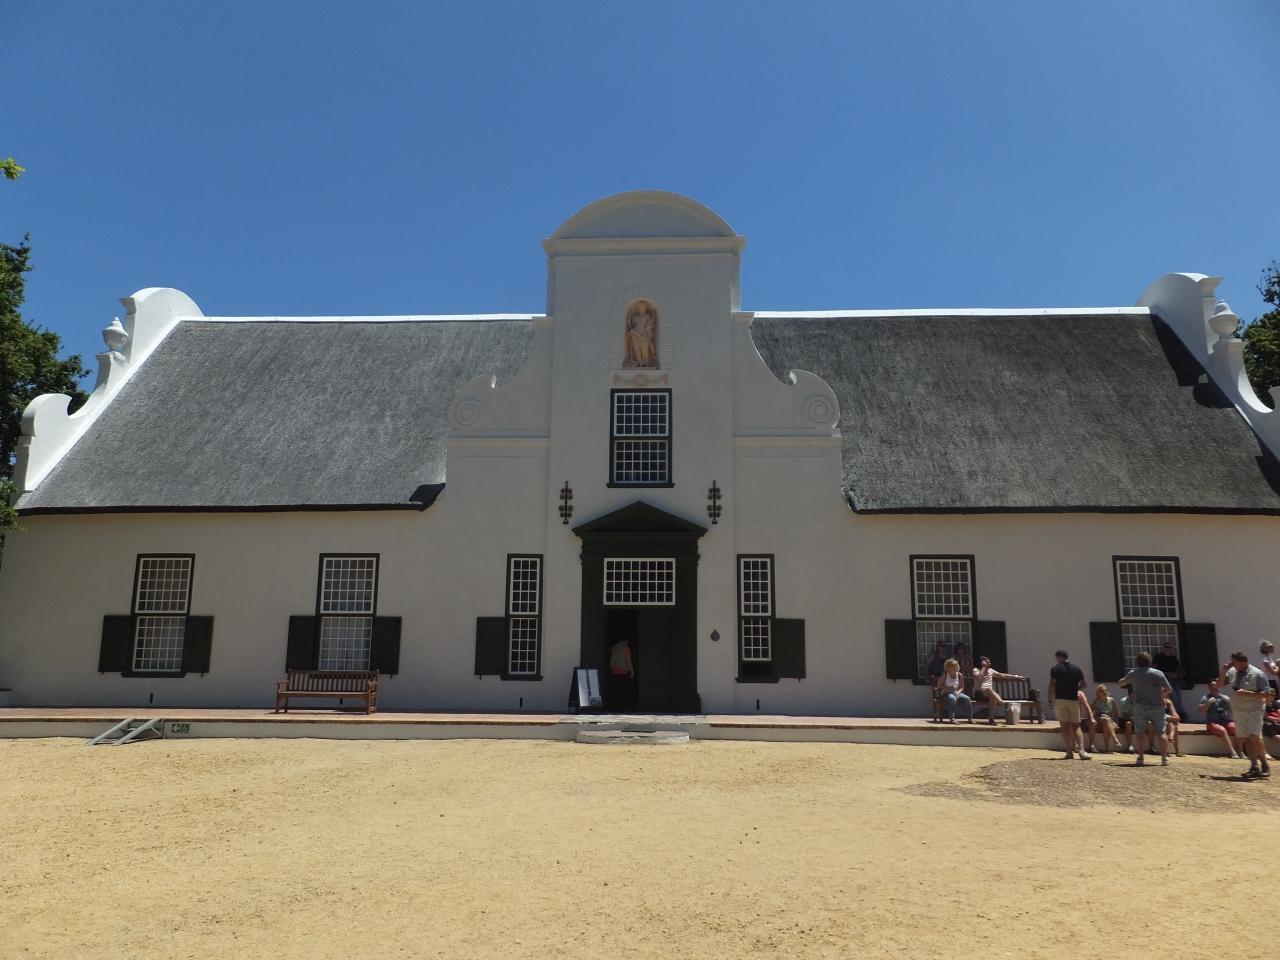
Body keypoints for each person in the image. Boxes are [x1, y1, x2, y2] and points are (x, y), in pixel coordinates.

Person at [1222, 651, 1273, 779]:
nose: (1232, 664)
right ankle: (1254, 766)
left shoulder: (1257, 674)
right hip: (1239, 709)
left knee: (1254, 736)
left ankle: (1264, 763)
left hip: (1254, 709)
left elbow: (1267, 693)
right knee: (1246, 738)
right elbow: (1219, 685)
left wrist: (1247, 693)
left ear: (1243, 662)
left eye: (1234, 662)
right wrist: (1223, 671)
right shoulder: (1232, 672)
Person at [1119, 651, 1173, 767]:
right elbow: (1169, 689)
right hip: (1157, 705)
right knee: (1161, 732)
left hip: (1140, 706)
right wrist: (1161, 695)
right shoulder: (1158, 673)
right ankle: (1164, 758)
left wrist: (1129, 682)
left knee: (1140, 733)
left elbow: (1121, 683)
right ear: (1150, 661)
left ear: (1137, 662)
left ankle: (1141, 757)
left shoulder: (1134, 673)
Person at [1050, 650, 1090, 760]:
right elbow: (1084, 684)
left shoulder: (1055, 669)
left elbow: (1052, 684)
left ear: (1058, 657)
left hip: (1060, 699)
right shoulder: (1077, 669)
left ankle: (1069, 751)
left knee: (1064, 726)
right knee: (1076, 726)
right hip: (1073, 699)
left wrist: (1050, 699)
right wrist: (1076, 689)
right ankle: (1081, 750)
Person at [1198, 678, 1240, 758]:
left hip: (1226, 722)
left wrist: (1229, 702)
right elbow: (1201, 710)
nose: (1214, 687)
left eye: (1216, 685)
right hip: (1212, 723)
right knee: (1222, 730)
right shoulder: (1205, 698)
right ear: (1209, 687)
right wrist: (1208, 703)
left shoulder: (1224, 698)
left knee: (1236, 728)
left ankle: (1240, 750)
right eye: (1212, 685)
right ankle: (1233, 752)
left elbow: (1233, 711)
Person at [973, 657, 1014, 725]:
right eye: (987, 662)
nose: (989, 663)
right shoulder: (976, 670)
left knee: (993, 698)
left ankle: (991, 719)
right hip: (979, 694)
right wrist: (983, 668)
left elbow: (1002, 675)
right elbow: (979, 678)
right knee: (989, 690)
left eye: (989, 662)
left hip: (988, 694)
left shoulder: (991, 670)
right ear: (982, 663)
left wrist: (1016, 676)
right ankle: (1003, 703)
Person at [1152, 638, 1187, 720]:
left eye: (1170, 647)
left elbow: (1178, 669)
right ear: (1163, 648)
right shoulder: (1158, 657)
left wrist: (1175, 674)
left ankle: (1178, 713)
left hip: (1174, 680)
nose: (1168, 649)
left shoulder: (1173, 659)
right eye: (1167, 647)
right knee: (1173, 696)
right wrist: (1165, 673)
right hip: (1163, 680)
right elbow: (1154, 669)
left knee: (1177, 696)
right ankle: (1180, 714)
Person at [935, 658, 972, 723]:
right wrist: (947, 688)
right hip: (946, 693)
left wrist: (958, 693)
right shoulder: (945, 674)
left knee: (967, 698)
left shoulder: (960, 675)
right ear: (948, 667)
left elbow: (962, 687)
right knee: (952, 699)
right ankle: (952, 719)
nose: (953, 667)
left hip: (956, 692)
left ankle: (970, 718)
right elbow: (939, 686)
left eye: (955, 665)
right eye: (951, 666)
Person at [1090, 685, 1123, 753]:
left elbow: (1117, 713)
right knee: (1105, 719)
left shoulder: (1111, 700)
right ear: (1098, 693)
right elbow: (1090, 712)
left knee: (1106, 725)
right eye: (1102, 691)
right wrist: (1095, 714)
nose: (1104, 692)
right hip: (1099, 720)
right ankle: (1115, 740)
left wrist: (1116, 723)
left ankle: (1107, 748)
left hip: (1108, 722)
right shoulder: (1096, 701)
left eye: (1105, 690)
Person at [608, 636, 635, 710]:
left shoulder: (614, 647)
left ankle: (615, 707)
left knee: (616, 690)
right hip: (623, 672)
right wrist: (632, 671)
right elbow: (628, 660)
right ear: (626, 640)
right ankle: (623, 707)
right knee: (624, 691)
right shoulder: (626, 647)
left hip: (614, 672)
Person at [1117, 687, 1137, 753]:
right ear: (1131, 693)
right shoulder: (1123, 701)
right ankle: (1129, 746)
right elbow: (1124, 715)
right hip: (1124, 720)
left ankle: (1151, 746)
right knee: (1128, 724)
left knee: (1149, 723)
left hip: (1136, 719)